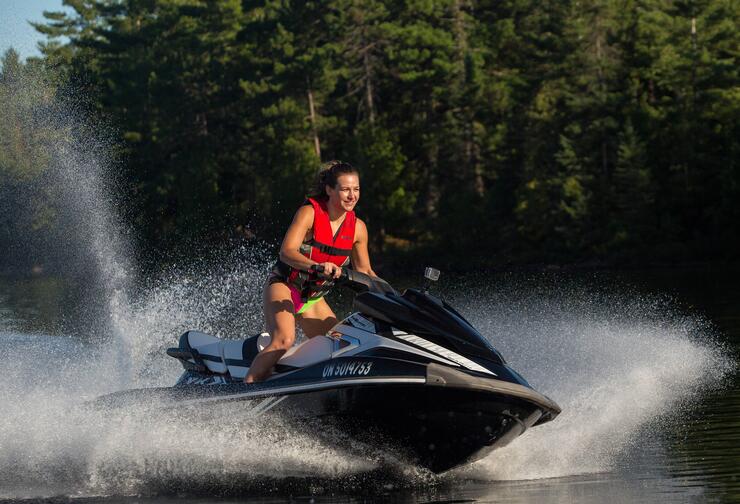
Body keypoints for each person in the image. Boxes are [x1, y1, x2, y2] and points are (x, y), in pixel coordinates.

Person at [245, 161, 376, 383]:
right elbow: (287, 252)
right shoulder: (309, 213)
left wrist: (394, 296)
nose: (352, 195)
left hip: (313, 298)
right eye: (345, 189)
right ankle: (245, 391)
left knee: (342, 346)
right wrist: (316, 266)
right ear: (329, 190)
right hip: (285, 286)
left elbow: (365, 270)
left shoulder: (358, 229)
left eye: (356, 189)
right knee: (284, 339)